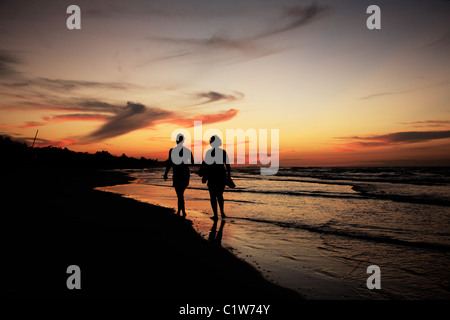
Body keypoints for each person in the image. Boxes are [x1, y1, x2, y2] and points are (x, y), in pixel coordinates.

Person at [200, 135, 231, 220]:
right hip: (221, 175)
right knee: (219, 195)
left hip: (213, 176)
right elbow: (227, 165)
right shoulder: (223, 152)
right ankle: (222, 213)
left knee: (213, 196)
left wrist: (204, 176)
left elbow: (206, 165)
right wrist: (229, 176)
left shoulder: (209, 152)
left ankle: (216, 215)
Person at [164, 134, 194, 217]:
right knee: (181, 193)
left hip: (178, 173)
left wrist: (166, 173)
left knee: (179, 194)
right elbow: (192, 162)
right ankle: (182, 211)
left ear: (177, 141)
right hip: (184, 173)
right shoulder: (187, 151)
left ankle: (181, 211)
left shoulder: (172, 150)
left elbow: (169, 163)